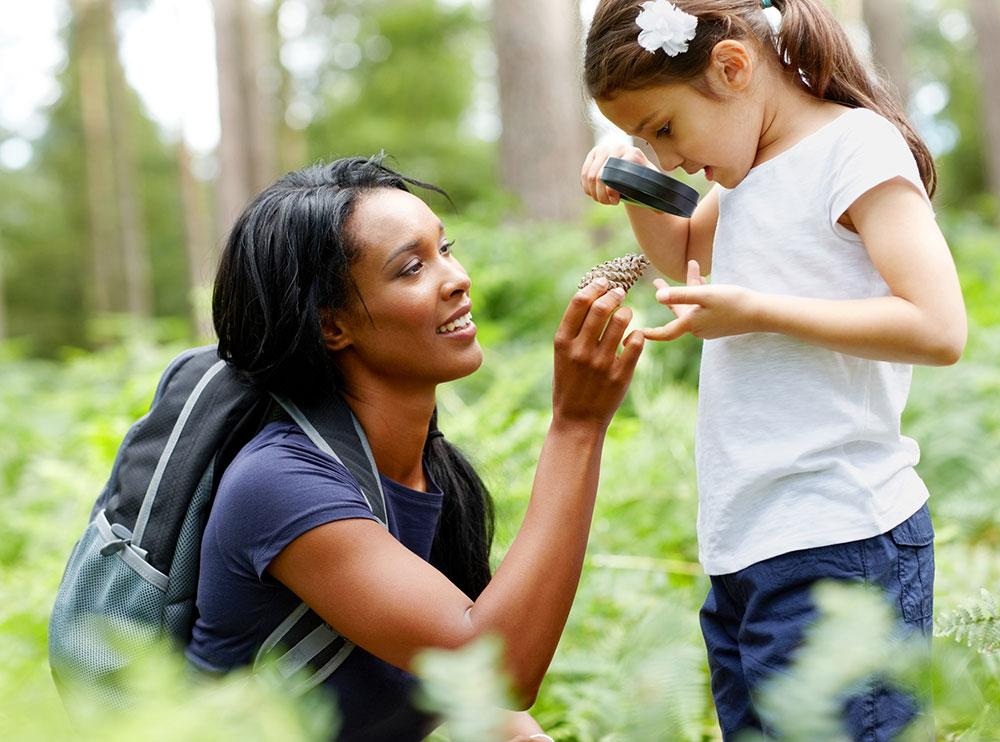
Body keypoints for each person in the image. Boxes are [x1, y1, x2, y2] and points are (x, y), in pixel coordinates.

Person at [579, 1, 966, 739]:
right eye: (643, 139)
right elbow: (688, 255)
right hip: (747, 543)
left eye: (663, 129)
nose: (665, 156)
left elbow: (939, 326)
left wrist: (758, 311)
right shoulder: (745, 168)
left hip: (842, 540)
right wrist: (637, 186)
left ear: (732, 67)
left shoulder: (856, 149)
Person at [186, 155, 645, 741]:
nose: (457, 277)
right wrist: (577, 425)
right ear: (332, 327)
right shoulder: (279, 486)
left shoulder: (432, 476)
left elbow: (491, 710)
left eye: (445, 248)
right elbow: (496, 671)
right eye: (411, 269)